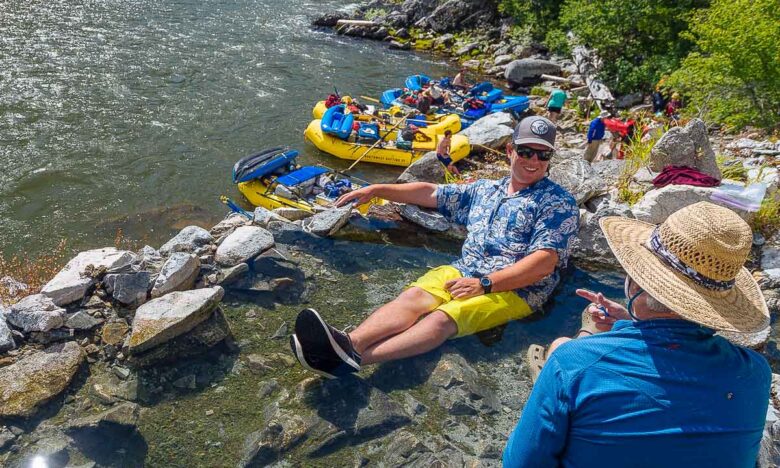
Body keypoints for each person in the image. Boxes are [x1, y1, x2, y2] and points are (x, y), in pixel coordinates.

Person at [289, 116, 579, 379]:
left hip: (516, 289)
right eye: (526, 151)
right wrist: (376, 189)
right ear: (509, 151)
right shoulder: (486, 189)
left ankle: (352, 360)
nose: (534, 160)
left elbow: (544, 262)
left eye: (543, 154)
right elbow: (431, 193)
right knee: (414, 298)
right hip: (466, 269)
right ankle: (348, 343)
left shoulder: (557, 202)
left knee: (443, 318)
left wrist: (485, 284)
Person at [503, 202, 771, 468]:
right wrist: (630, 321)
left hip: (577, 367)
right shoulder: (755, 372)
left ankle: (553, 388)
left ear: (635, 284)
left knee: (563, 351)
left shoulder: (573, 363)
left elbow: (518, 464)